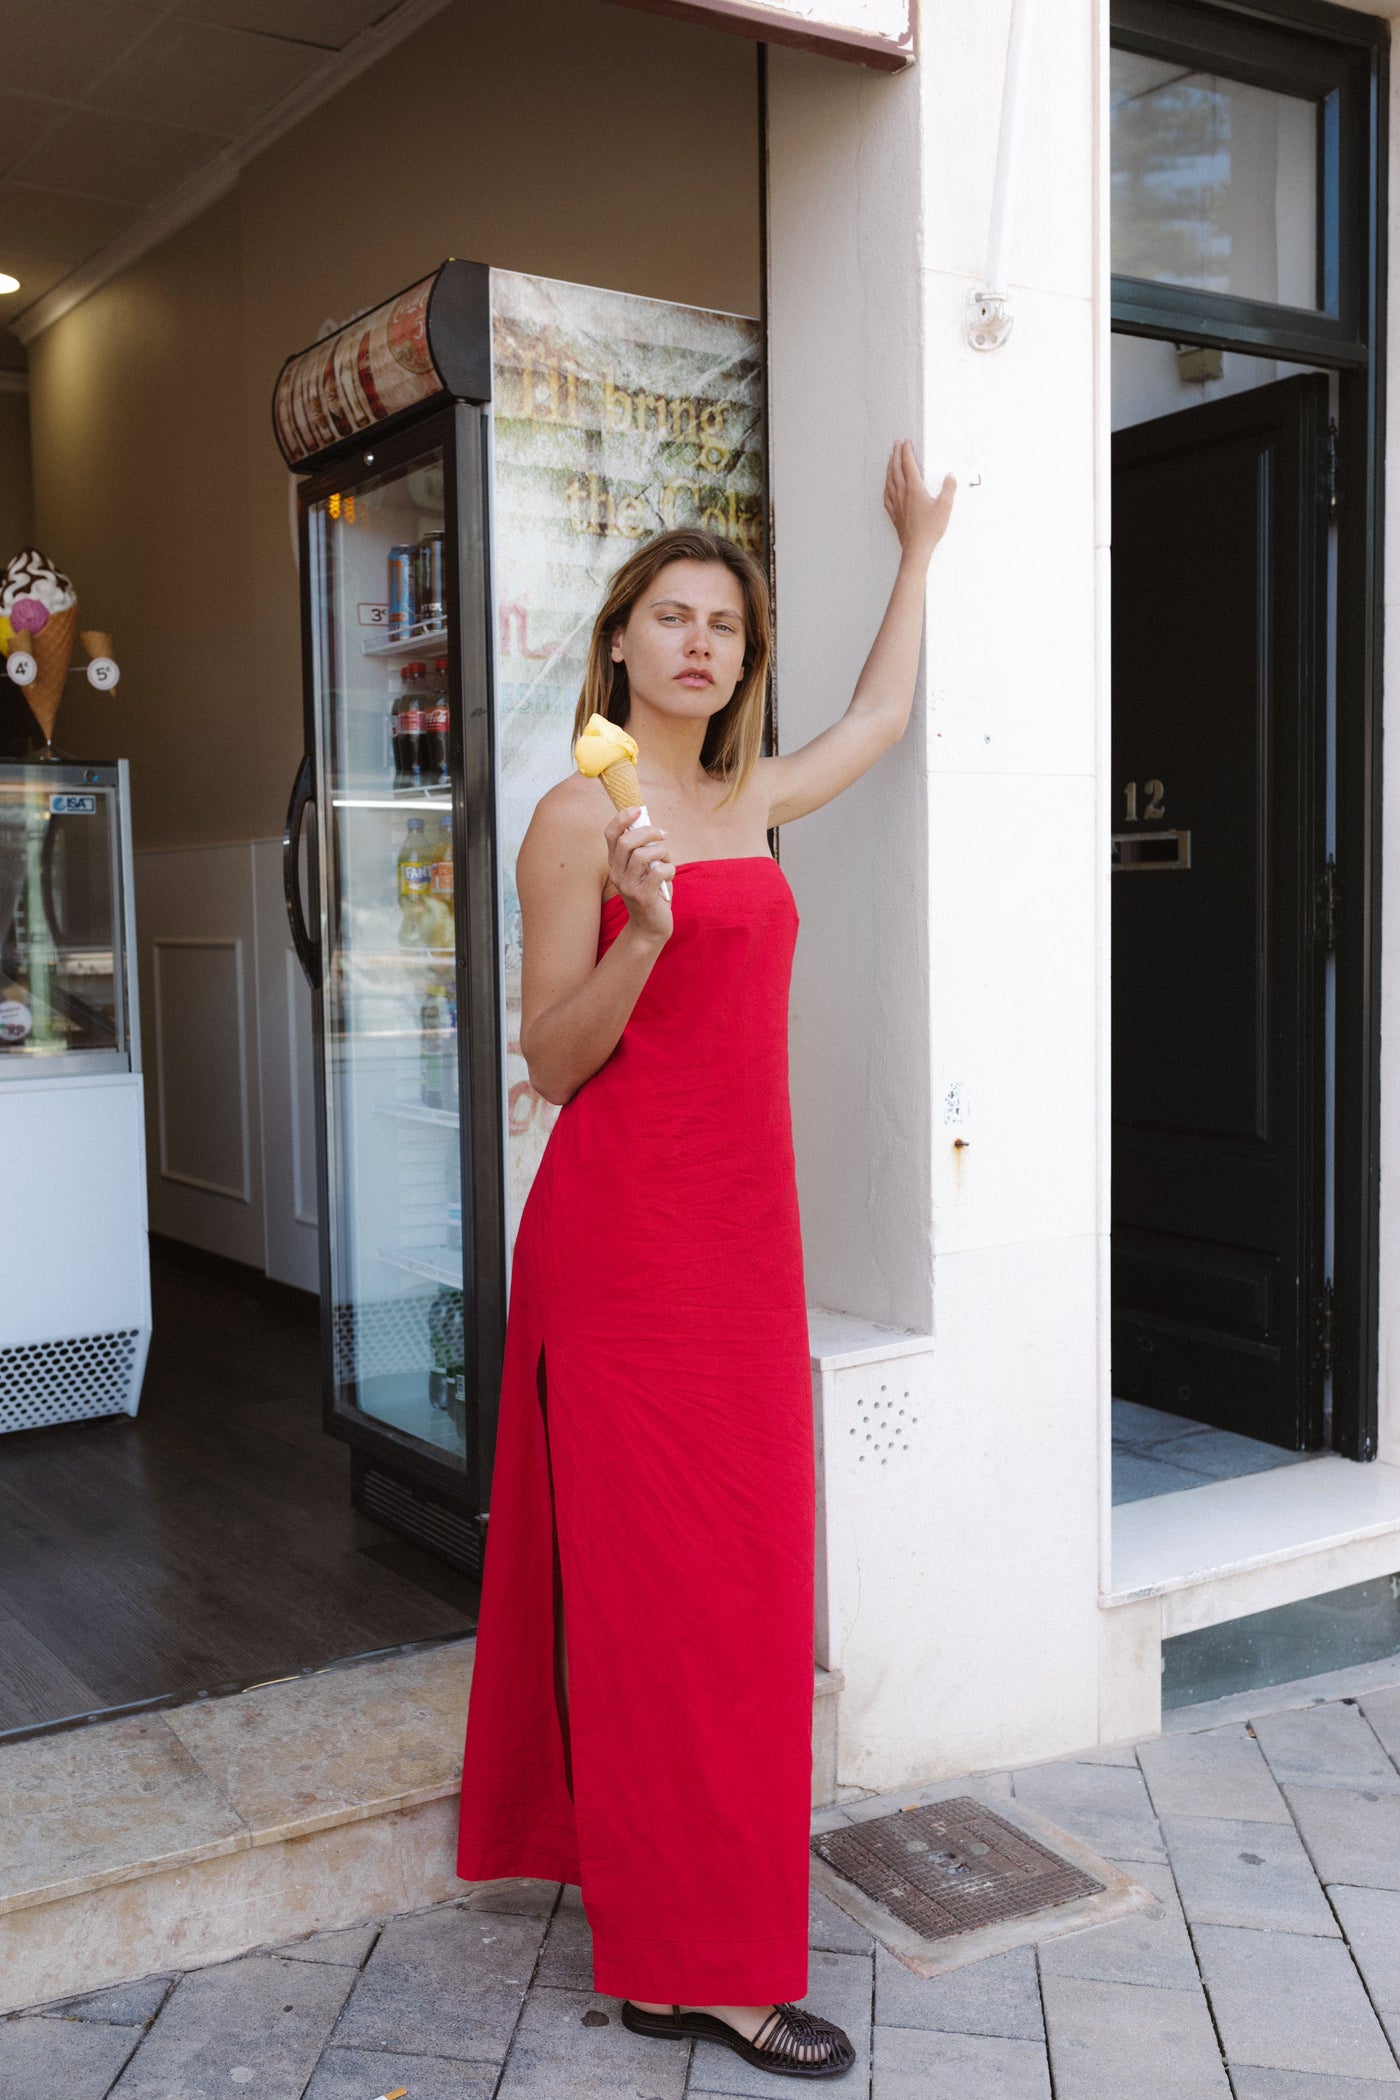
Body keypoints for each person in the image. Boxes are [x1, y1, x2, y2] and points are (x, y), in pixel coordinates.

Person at [457, 441, 956, 2078]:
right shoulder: (568, 824)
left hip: (742, 1253)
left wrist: (918, 553)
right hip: (619, 1258)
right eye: (669, 618)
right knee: (665, 1609)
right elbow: (548, 1060)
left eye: (723, 627)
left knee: (736, 1606)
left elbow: (876, 727)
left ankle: (684, 1928)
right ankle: (704, 1967)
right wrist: (647, 929)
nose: (697, 645)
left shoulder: (746, 797)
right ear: (616, 644)